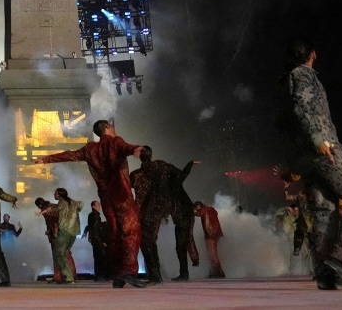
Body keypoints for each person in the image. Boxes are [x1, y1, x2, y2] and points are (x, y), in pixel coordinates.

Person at [274, 38, 342, 291]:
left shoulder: (285, 80)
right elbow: (303, 106)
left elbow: (285, 122)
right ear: (313, 55)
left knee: (324, 210)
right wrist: (319, 139)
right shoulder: (303, 75)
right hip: (321, 148)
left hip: (302, 156)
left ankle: (326, 273)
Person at [35, 120, 147, 288]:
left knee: (115, 233)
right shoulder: (115, 142)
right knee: (131, 231)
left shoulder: (90, 149)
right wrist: (137, 149)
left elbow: (70, 155)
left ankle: (117, 273)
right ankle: (129, 271)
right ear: (107, 128)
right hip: (121, 196)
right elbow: (126, 147)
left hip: (106, 198)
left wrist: (45, 159)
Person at [130, 147, 199, 282]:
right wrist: (189, 164)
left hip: (164, 208)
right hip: (171, 207)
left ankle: (158, 275)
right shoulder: (162, 167)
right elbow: (181, 176)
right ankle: (168, 274)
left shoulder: (138, 174)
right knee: (176, 242)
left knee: (150, 241)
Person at [53, 188, 82, 284]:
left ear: (59, 195)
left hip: (65, 231)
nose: (54, 194)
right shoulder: (73, 202)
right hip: (73, 231)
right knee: (65, 254)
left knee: (59, 254)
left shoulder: (61, 203)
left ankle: (68, 277)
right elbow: (81, 204)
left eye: (55, 193)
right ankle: (70, 277)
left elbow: (55, 210)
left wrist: (45, 211)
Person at [193, 201, 225, 279]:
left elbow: (199, 213)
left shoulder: (204, 209)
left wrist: (189, 211)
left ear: (199, 206)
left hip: (210, 233)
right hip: (216, 233)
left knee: (212, 254)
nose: (196, 209)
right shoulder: (211, 209)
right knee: (212, 254)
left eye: (196, 208)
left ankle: (218, 272)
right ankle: (215, 271)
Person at [82, 200, 109, 280]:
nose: (99, 207)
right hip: (97, 239)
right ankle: (102, 275)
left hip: (94, 239)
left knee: (97, 257)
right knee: (102, 257)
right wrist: (102, 240)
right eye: (98, 205)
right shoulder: (96, 216)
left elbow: (90, 226)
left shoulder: (91, 215)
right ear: (93, 206)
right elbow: (96, 229)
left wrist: (86, 231)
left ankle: (98, 275)